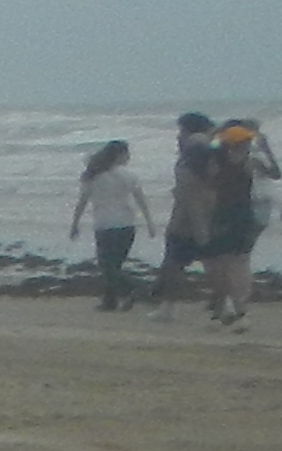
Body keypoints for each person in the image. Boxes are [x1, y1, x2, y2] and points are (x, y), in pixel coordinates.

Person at [202, 115, 281, 328]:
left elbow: (209, 184)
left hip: (223, 215)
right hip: (243, 214)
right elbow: (275, 173)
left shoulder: (215, 162)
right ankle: (239, 310)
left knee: (222, 263)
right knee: (238, 263)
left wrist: (216, 134)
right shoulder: (250, 162)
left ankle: (227, 307)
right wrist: (265, 147)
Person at [69, 140, 154, 310]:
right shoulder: (129, 175)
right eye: (127, 154)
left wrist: (75, 223)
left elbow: (82, 202)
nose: (129, 157)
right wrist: (149, 222)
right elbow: (141, 200)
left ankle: (137, 286)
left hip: (105, 225)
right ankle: (111, 301)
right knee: (114, 266)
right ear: (119, 155)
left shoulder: (93, 175)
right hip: (127, 224)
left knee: (108, 267)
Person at [154, 111, 221, 310]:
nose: (178, 135)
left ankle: (167, 306)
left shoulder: (196, 145)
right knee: (211, 260)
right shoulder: (208, 145)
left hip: (191, 218)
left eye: (181, 130)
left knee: (176, 261)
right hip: (200, 215)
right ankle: (222, 302)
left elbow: (201, 180)